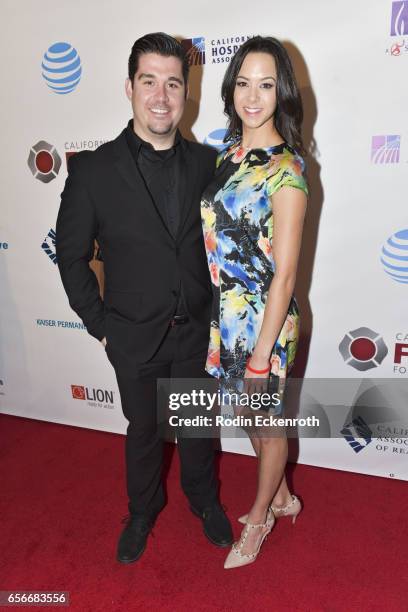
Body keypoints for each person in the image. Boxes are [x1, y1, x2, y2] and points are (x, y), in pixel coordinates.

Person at [56, 32, 232, 564]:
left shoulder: (210, 165)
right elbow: (70, 256)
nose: (161, 96)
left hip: (197, 330)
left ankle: (203, 500)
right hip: (132, 332)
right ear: (129, 88)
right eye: (149, 82)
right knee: (144, 430)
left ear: (186, 91)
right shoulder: (93, 170)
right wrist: (102, 325)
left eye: (172, 83)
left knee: (199, 426)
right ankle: (141, 510)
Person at [200, 35, 308, 569]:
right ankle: (286, 496)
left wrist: (262, 356)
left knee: (267, 427)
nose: (252, 95)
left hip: (265, 323)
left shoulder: (287, 171)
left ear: (281, 93)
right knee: (249, 416)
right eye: (243, 82)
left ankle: (261, 516)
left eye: (266, 84)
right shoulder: (228, 153)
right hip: (228, 317)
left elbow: (285, 275)